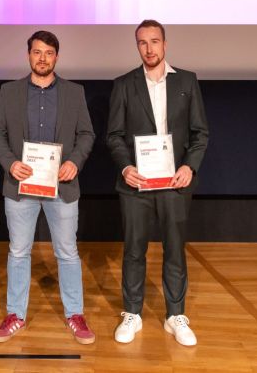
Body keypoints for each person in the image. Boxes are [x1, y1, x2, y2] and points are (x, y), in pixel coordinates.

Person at [0, 30, 97, 344]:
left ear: (56, 57)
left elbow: (86, 134)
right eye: (37, 52)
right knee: (19, 252)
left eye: (49, 53)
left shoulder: (75, 92)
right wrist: (10, 163)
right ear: (29, 55)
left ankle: (75, 314)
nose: (42, 58)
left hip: (62, 186)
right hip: (20, 186)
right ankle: (15, 314)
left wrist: (75, 161)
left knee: (67, 253)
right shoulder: (9, 92)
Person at [107, 19, 209, 346]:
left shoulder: (187, 81)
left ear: (165, 44)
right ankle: (132, 313)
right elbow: (114, 136)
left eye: (154, 41)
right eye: (142, 42)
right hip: (136, 184)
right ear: (137, 46)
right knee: (134, 250)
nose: (149, 48)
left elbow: (200, 134)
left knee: (174, 250)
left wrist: (189, 167)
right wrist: (125, 167)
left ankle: (175, 315)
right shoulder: (124, 84)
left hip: (174, 183)